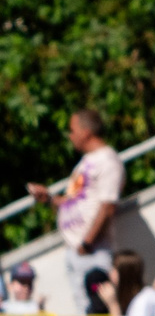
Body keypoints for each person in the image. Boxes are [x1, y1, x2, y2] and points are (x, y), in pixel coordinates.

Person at [28, 107, 122, 290]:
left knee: (98, 305)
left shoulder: (107, 161)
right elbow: (71, 201)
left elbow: (108, 207)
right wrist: (48, 198)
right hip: (78, 251)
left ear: (86, 132)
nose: (70, 136)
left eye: (72, 130)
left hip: (93, 252)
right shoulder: (86, 162)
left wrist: (86, 243)